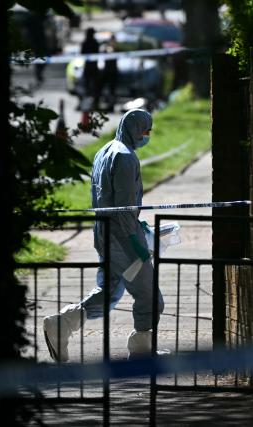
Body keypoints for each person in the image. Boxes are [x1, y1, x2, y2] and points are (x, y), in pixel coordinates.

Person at [43, 109, 164, 362]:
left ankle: (62, 324)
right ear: (136, 129)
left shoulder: (104, 151)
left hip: (104, 234)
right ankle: (143, 351)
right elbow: (124, 206)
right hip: (123, 239)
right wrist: (136, 242)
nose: (147, 135)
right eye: (146, 130)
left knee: (108, 292)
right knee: (149, 296)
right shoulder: (126, 157)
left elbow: (108, 200)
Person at [80, 27, 100, 110]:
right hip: (92, 68)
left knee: (89, 88)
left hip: (90, 68)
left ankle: (89, 104)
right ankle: (92, 104)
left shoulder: (86, 43)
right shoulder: (94, 43)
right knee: (92, 88)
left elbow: (82, 53)